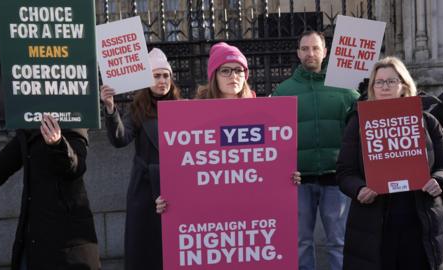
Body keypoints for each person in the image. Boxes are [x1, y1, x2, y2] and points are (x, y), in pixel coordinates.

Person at [156, 42, 301, 213]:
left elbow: (270, 160)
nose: (234, 76)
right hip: (210, 210)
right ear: (214, 76)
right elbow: (183, 167)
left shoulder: (262, 114)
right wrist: (169, 197)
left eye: (239, 70)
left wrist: (288, 176)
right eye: (226, 70)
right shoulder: (193, 116)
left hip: (252, 208)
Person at [337, 56, 443, 270]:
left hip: (421, 221)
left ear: (404, 85)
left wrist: (439, 180)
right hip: (374, 225)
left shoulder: (427, 119)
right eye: (379, 82)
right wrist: (359, 189)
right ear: (372, 87)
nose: (384, 87)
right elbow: (344, 172)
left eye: (391, 81)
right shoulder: (358, 122)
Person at [271, 30, 360, 270]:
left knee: (338, 242)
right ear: (298, 53)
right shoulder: (283, 91)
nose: (311, 53)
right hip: (298, 180)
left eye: (315, 48)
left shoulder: (347, 90)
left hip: (336, 179)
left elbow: (360, 130)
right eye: (305, 49)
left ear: (325, 52)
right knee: (300, 243)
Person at [0, 115, 99, 270]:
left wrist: (57, 144)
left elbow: (75, 167)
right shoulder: (28, 127)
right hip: (35, 236)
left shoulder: (71, 118)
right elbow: (0, 168)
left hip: (67, 242)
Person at [100, 48, 181, 270]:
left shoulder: (182, 108)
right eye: (156, 75)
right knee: (144, 246)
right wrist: (110, 108)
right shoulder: (137, 109)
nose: (162, 80)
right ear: (147, 78)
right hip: (145, 190)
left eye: (166, 76)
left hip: (176, 187)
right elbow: (120, 138)